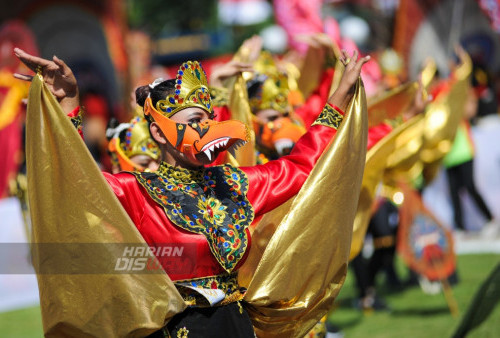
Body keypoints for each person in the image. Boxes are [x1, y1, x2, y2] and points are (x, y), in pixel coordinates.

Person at [14, 47, 369, 337]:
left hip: (237, 325)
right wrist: (68, 106)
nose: (203, 128)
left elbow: (301, 167)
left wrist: (339, 98)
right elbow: (77, 183)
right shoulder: (138, 191)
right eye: (191, 122)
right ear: (158, 133)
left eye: (205, 119)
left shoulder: (234, 184)